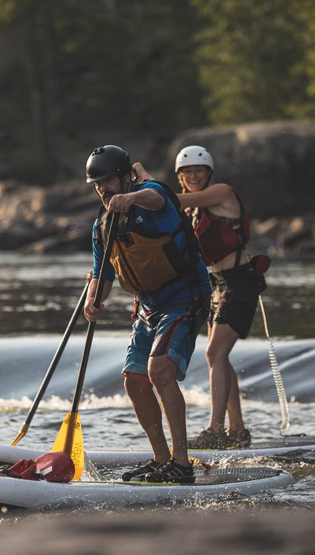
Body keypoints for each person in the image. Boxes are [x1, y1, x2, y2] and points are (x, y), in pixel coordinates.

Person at [84, 145, 210, 483]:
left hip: (186, 296)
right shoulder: (102, 227)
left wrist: (133, 198)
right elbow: (102, 274)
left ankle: (182, 465)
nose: (103, 188)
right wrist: (93, 300)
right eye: (97, 183)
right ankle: (161, 458)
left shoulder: (151, 197)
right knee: (134, 379)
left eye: (109, 180)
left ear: (126, 177)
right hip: (148, 306)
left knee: (159, 370)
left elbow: (155, 196)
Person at [134, 145, 264, 449]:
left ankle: (216, 430)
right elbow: (167, 203)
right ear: (180, 176)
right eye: (187, 172)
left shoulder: (221, 193)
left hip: (240, 283)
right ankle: (238, 430)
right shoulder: (192, 209)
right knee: (219, 355)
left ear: (209, 174)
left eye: (199, 171)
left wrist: (142, 178)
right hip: (216, 285)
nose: (193, 176)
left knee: (214, 354)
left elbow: (166, 198)